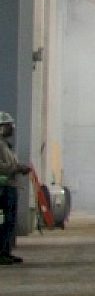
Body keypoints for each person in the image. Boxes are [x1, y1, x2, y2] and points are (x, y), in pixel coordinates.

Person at [0, 112, 31, 265]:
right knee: (4, 222)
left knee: (10, 222)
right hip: (3, 188)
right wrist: (16, 168)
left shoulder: (5, 145)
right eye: (8, 126)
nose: (11, 129)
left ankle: (6, 251)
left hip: (10, 186)